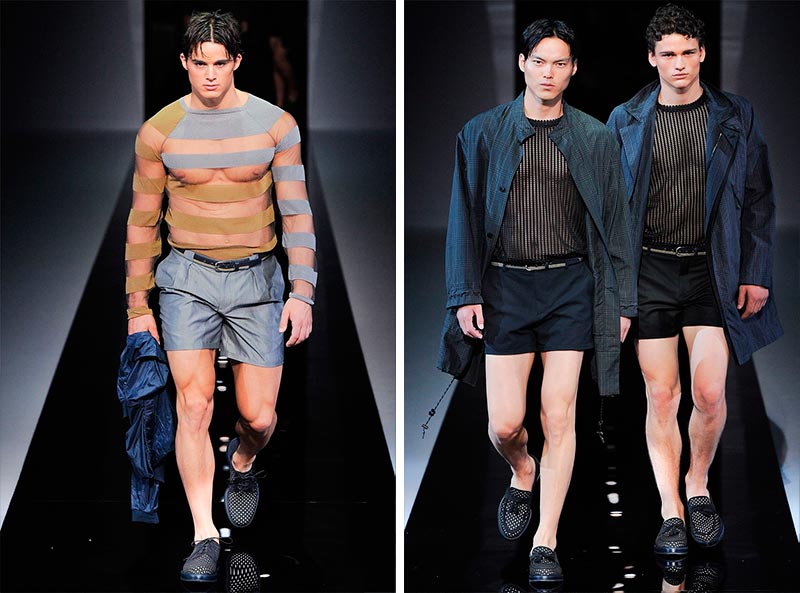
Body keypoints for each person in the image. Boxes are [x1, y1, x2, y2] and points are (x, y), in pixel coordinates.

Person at [437, 19, 636, 584]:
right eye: (539, 61)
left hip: (571, 288)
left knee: (560, 413)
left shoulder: (595, 138)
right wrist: (464, 293)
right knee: (505, 424)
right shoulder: (482, 133)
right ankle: (523, 470)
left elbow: (616, 226)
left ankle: (545, 539)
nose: (549, 73)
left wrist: (621, 304)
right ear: (522, 63)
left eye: (560, 63)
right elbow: (462, 218)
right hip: (505, 288)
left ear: (573, 70)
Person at [125, 10, 316, 582]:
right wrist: (137, 308)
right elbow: (142, 223)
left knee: (259, 416)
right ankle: (203, 534)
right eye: (199, 63)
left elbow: (296, 211)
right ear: (184, 61)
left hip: (257, 281)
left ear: (236, 61)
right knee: (194, 404)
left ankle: (244, 459)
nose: (209, 74)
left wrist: (302, 291)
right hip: (187, 279)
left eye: (219, 62)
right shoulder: (158, 131)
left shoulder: (275, 125)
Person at [607, 3, 781, 556]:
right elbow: (608, 211)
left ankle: (698, 483)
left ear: (703, 53)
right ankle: (671, 509)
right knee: (661, 396)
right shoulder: (625, 119)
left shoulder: (735, 115)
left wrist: (754, 272)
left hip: (712, 268)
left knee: (708, 392)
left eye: (688, 52)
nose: (679, 63)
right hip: (650, 270)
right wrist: (613, 290)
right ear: (651, 58)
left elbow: (758, 197)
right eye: (668, 54)